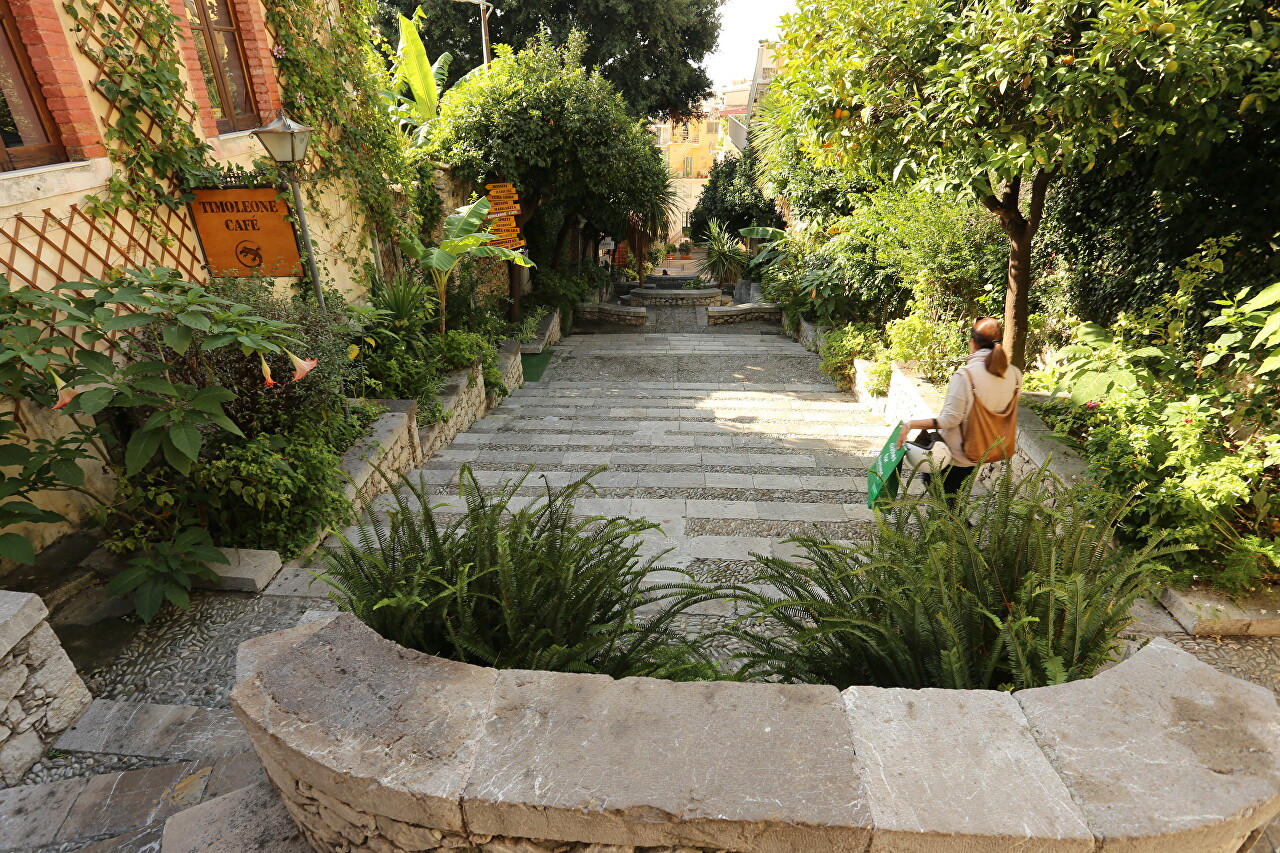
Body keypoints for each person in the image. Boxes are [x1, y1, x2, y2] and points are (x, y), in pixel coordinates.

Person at [895, 316, 1022, 495]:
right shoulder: (1015, 375)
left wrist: (911, 424)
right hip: (984, 449)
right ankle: (954, 521)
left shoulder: (966, 375)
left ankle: (954, 523)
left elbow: (950, 420)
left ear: (973, 343)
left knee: (942, 494)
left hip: (956, 453)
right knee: (955, 496)